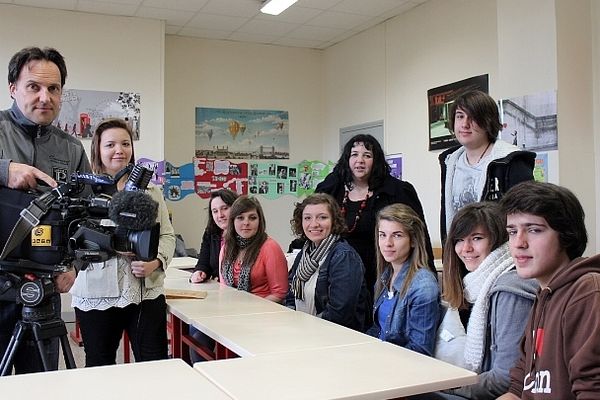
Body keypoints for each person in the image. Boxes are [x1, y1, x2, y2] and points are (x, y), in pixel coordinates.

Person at [0, 46, 91, 374]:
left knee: (40, 385)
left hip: (44, 294)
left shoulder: (71, 148)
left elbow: (87, 219)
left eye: (53, 89)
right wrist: (4, 170)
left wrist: (76, 265)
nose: (45, 97)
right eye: (34, 86)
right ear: (13, 89)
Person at [70, 118, 175, 367]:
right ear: (97, 149)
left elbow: (168, 235)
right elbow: (72, 240)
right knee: (99, 364)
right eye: (110, 145)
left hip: (145, 292)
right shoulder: (84, 191)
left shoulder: (151, 192)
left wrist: (155, 261)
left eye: (125, 144)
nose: (119, 150)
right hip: (96, 293)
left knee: (155, 364)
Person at [497, 181, 600, 399]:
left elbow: (592, 391)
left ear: (566, 235)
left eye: (534, 230)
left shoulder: (587, 292)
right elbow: (518, 388)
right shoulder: (543, 293)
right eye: (512, 231)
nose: (519, 243)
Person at [430, 202, 537, 399]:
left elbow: (505, 379)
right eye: (459, 240)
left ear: (499, 240)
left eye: (477, 238)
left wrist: (446, 385)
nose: (466, 249)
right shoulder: (476, 286)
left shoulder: (510, 290)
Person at [316, 134, 435, 302]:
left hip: (382, 272)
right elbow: (314, 223)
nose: (360, 160)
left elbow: (419, 234)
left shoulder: (397, 190)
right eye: (354, 154)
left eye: (367, 155)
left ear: (376, 160)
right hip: (341, 276)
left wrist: (429, 276)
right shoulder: (332, 189)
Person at [439, 90, 536, 242]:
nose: (465, 124)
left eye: (473, 118)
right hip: (461, 252)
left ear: (488, 121)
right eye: (460, 116)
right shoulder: (450, 161)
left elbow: (527, 214)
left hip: (500, 255)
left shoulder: (511, 160)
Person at [286, 193, 369, 331]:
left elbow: (339, 314)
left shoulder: (344, 256)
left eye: (322, 217)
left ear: (334, 221)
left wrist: (305, 329)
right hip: (303, 331)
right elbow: (290, 296)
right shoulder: (305, 252)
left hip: (331, 336)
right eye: (307, 218)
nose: (314, 224)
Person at [366, 204, 440, 356]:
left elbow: (420, 351)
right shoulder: (385, 276)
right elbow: (377, 330)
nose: (387, 243)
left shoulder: (423, 286)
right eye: (382, 235)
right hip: (379, 359)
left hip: (401, 368)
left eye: (397, 235)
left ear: (413, 240)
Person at [188, 189, 238, 362]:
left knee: (198, 336)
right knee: (192, 329)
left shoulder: (244, 234)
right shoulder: (212, 233)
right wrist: (199, 272)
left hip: (237, 304)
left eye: (224, 208)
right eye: (215, 211)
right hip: (217, 300)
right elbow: (203, 262)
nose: (220, 215)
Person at [220, 195, 288, 302]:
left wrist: (249, 309)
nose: (246, 222)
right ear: (232, 221)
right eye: (240, 218)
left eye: (252, 218)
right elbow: (224, 288)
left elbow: (279, 293)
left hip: (263, 310)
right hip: (233, 309)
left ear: (260, 221)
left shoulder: (270, 247)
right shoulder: (226, 248)